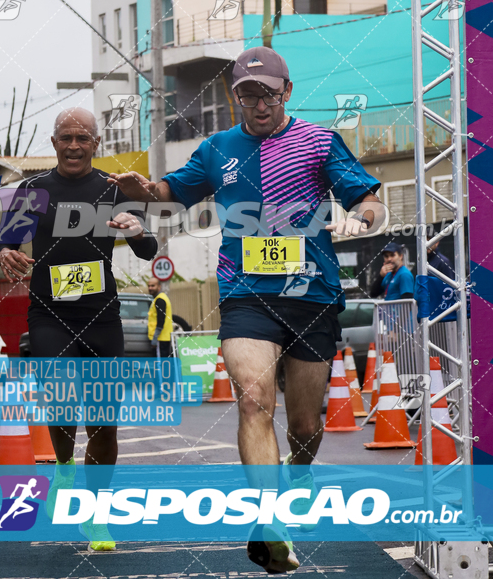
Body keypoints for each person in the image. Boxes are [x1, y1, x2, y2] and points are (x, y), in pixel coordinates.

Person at [108, 47, 385, 573]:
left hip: (313, 296)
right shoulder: (217, 148)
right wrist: (143, 192)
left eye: (269, 94)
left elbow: (366, 198)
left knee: (304, 425)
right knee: (254, 400)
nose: (259, 104)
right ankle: (268, 519)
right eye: (247, 95)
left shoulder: (318, 140)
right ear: (236, 97)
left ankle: (299, 469)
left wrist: (360, 220)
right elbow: (171, 193)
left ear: (288, 92)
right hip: (245, 296)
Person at [0, 107, 158, 552]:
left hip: (102, 316)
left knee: (105, 425)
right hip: (49, 315)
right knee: (61, 396)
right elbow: (5, 242)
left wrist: (137, 230)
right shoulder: (33, 191)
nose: (73, 145)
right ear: (53, 143)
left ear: (95, 144)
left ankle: (97, 517)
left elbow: (147, 248)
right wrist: (4, 253)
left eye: (82, 138)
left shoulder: (111, 188)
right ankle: (64, 467)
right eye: (65, 137)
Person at [147, 276, 173, 357]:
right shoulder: (160, 298)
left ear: (159, 287)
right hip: (163, 338)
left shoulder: (160, 300)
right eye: (149, 286)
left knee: (160, 363)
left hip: (160, 339)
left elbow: (160, 321)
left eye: (153, 286)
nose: (150, 288)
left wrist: (154, 339)